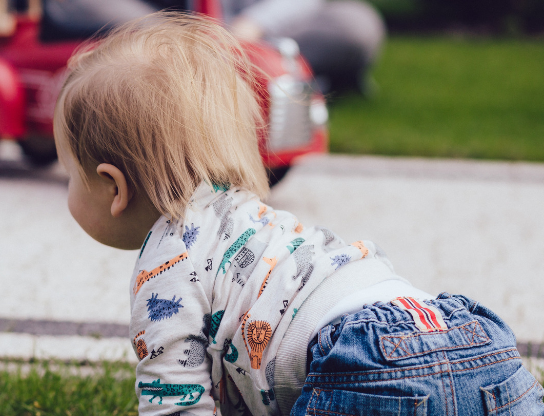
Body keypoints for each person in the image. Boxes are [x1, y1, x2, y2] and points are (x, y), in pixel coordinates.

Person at [52, 12, 544, 416]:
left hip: (364, 361)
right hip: (472, 338)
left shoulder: (165, 260)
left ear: (115, 187)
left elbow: (175, 401)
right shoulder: (257, 221)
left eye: (70, 173)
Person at [227, 0, 385, 95]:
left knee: (355, 24)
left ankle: (295, 78)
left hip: (287, 28)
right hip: (216, 36)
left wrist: (254, 23)